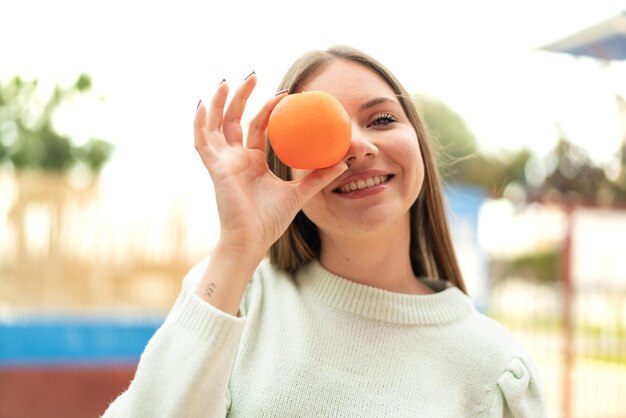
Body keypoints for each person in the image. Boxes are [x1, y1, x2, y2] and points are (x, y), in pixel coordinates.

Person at [102, 45, 546, 417]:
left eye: (382, 119)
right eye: (320, 134)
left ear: (420, 145)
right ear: (285, 173)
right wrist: (239, 247)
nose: (356, 146)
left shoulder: (494, 368)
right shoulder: (235, 297)